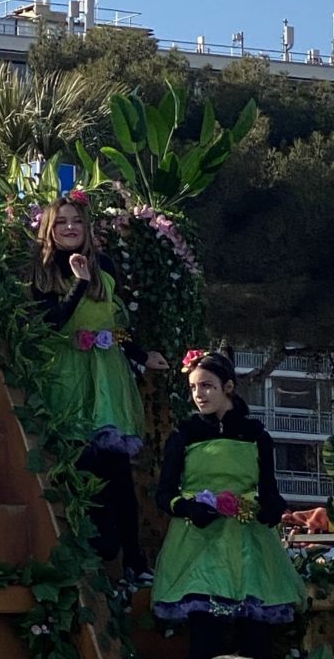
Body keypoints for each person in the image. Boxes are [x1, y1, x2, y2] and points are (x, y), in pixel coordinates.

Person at [32, 192, 169, 579]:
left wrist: (142, 355)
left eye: (76, 220)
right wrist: (78, 283)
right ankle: (88, 556)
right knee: (79, 467)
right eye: (61, 222)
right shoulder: (43, 272)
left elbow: (116, 325)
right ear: (49, 230)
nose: (70, 227)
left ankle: (134, 563)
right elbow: (52, 324)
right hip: (68, 379)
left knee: (118, 472)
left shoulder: (104, 266)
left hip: (107, 380)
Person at [152, 350, 304, 658]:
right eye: (193, 387)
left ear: (228, 387)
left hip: (248, 544)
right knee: (203, 637)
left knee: (255, 640)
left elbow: (270, 490)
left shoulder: (255, 434)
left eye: (207, 386)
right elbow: (164, 492)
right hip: (198, 546)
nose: (199, 394)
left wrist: (272, 508)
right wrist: (188, 507)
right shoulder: (185, 433)